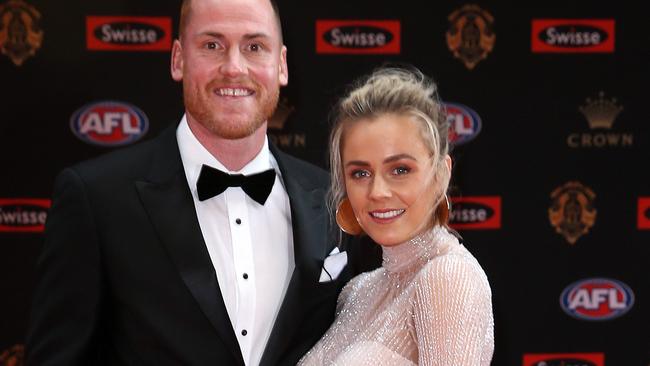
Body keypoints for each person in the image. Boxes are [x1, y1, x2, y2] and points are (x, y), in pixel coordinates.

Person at [25, 0, 379, 365]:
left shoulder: (336, 200)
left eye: (254, 47)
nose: (234, 67)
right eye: (212, 45)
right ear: (178, 58)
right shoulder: (97, 199)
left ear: (281, 65)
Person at [298, 67, 495, 365]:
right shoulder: (357, 292)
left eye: (400, 169)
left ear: (441, 174)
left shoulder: (447, 276)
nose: (377, 191)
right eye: (360, 173)